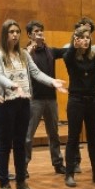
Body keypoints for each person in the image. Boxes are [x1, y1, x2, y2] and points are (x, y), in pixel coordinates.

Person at [0, 19, 67, 189]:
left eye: (17, 31)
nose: (15, 35)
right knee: (4, 145)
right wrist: (14, 86)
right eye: (11, 32)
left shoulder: (23, 54)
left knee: (20, 144)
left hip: (24, 102)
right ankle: (4, 183)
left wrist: (52, 81)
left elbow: (36, 72)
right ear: (4, 34)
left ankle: (21, 181)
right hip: (6, 103)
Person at [59, 23, 95, 185]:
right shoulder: (70, 56)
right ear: (76, 40)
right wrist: (73, 46)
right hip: (76, 101)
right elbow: (68, 57)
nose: (85, 41)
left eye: (87, 38)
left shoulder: (93, 56)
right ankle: (69, 174)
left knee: (94, 137)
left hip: (92, 101)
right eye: (82, 38)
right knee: (73, 137)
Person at [24, 20, 66, 175]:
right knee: (28, 135)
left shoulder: (51, 51)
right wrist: (30, 49)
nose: (39, 34)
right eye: (36, 31)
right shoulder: (25, 52)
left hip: (51, 99)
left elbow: (66, 51)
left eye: (41, 31)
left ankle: (58, 163)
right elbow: (20, 64)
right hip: (34, 99)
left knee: (54, 134)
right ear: (29, 34)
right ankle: (23, 165)